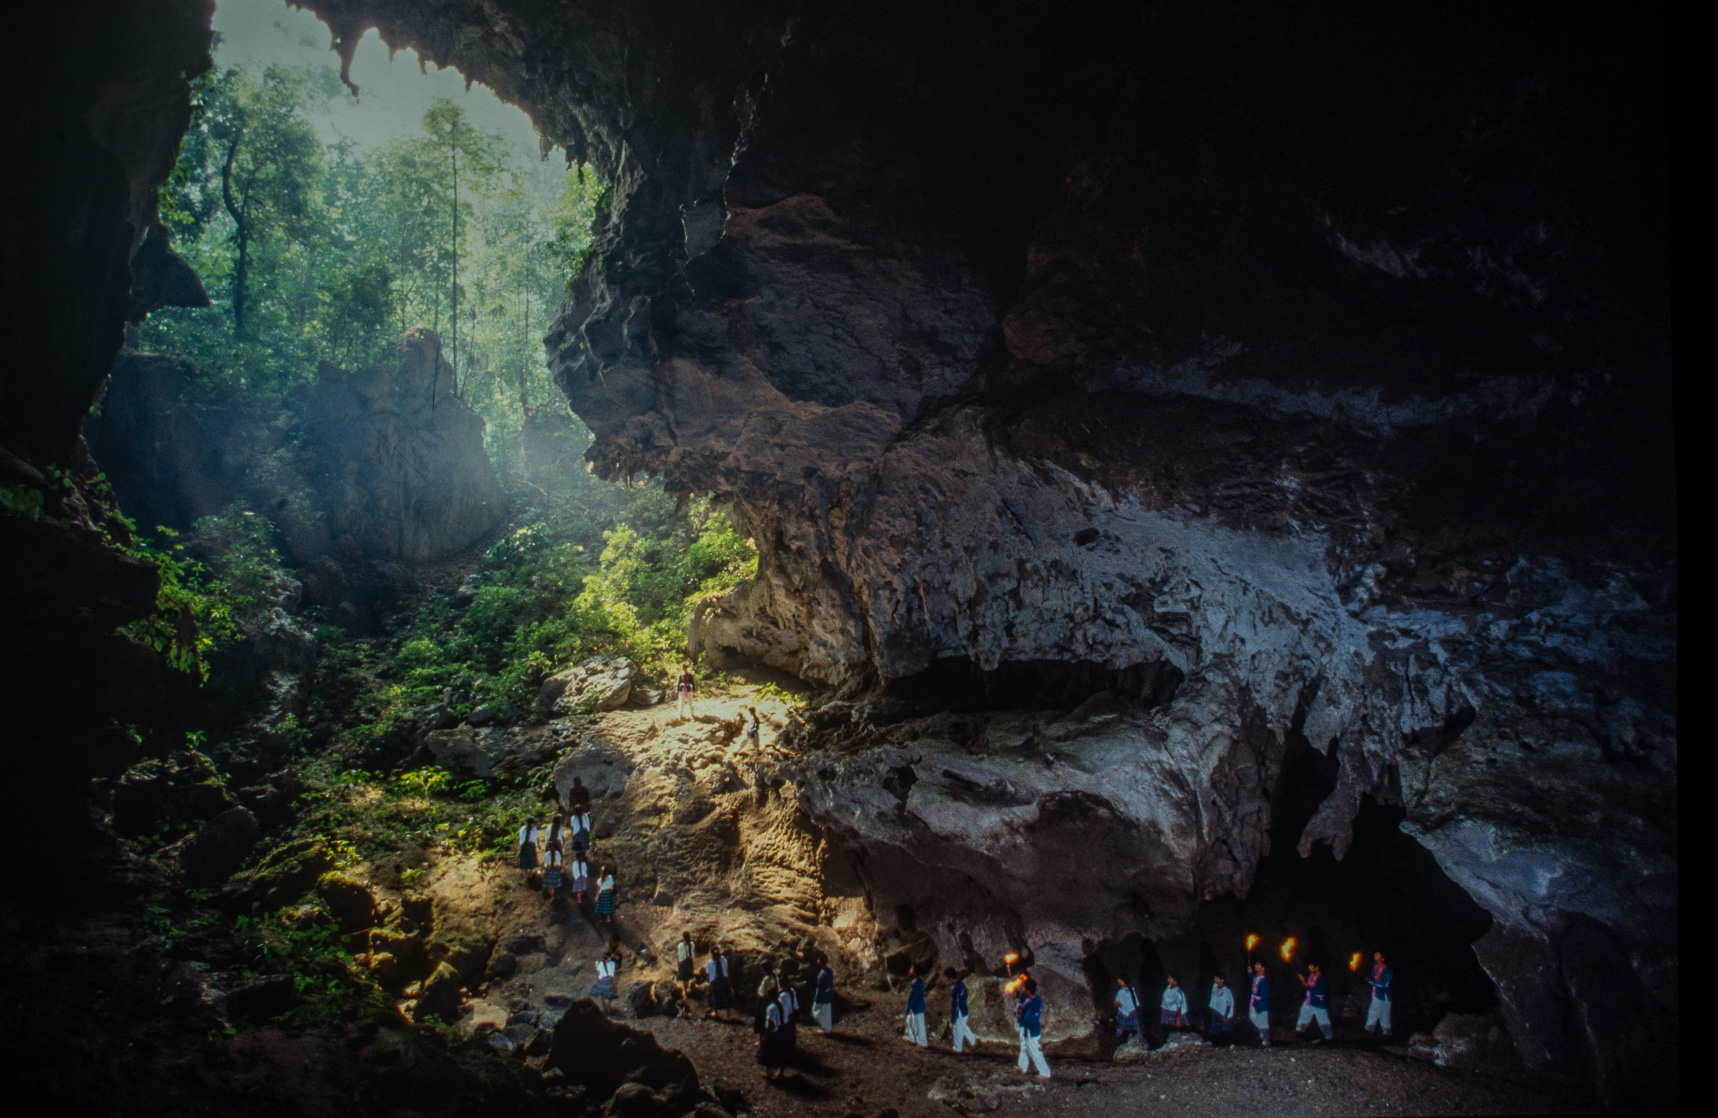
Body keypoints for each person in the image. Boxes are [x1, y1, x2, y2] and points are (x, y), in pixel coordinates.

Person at [1015, 977, 1052, 1079]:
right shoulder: (1036, 999)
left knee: (1035, 1051)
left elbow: (1026, 1019)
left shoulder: (1030, 1003)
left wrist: (1019, 1016)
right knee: (1026, 1048)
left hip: (1030, 1030)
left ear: (1027, 990)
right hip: (1034, 1028)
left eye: (1024, 988)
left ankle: (1045, 1072)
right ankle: (1022, 1067)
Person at [1297, 963, 1334, 1041]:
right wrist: (1303, 981)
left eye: (1311, 966)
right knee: (1304, 1014)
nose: (1309, 967)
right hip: (1309, 1001)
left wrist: (1310, 988)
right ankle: (1299, 1032)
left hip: (1318, 1003)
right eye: (1309, 965)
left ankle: (1329, 1037)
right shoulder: (1310, 977)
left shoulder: (1322, 979)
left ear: (1317, 967)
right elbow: (1308, 986)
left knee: (1323, 1021)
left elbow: (1320, 991)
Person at [758, 989, 789, 1079]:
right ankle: (781, 1073)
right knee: (781, 1052)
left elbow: (770, 1024)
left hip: (773, 1033)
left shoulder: (771, 1008)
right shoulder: (780, 1005)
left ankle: (769, 1073)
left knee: (768, 1053)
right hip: (781, 1030)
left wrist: (765, 1036)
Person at [947, 967, 978, 1053]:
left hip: (960, 1010)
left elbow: (956, 1003)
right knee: (963, 1027)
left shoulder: (956, 988)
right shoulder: (961, 984)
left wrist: (953, 1017)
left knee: (958, 1029)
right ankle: (973, 1041)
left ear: (950, 978)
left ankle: (958, 1048)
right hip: (964, 1009)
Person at [1365, 952, 1394, 1038]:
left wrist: (1371, 981)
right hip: (1375, 993)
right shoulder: (1374, 966)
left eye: (1378, 954)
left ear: (1382, 959)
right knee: (1373, 1010)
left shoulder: (1387, 971)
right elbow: (1373, 977)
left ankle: (1386, 1033)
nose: (1375, 955)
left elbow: (1385, 984)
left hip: (1384, 995)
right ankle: (1369, 1029)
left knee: (1384, 1013)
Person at [903, 963, 929, 1046]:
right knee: (910, 1021)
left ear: (914, 972)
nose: (910, 970)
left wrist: (908, 1007)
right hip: (916, 1006)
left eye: (911, 969)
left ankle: (922, 1042)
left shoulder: (917, 984)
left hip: (917, 1006)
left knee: (918, 1024)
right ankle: (911, 1037)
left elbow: (913, 997)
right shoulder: (919, 981)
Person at [706, 946, 734, 1021]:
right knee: (715, 998)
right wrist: (709, 983)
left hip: (723, 980)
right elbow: (709, 973)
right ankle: (715, 1012)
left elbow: (725, 969)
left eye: (717, 952)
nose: (716, 955)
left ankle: (728, 1013)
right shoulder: (710, 962)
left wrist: (728, 979)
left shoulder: (723, 959)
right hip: (714, 981)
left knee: (726, 996)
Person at [1248, 961, 1273, 1047]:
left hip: (1262, 1003)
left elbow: (1266, 994)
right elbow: (1254, 982)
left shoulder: (1264, 980)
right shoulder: (1256, 976)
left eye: (1258, 965)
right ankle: (1262, 1035)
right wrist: (1250, 973)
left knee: (1263, 1022)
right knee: (1252, 1016)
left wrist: (1261, 1005)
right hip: (1255, 1002)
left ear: (1263, 968)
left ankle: (1266, 1040)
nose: (1255, 966)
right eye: (1255, 964)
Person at [1114, 974, 1140, 1046]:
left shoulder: (1121, 992)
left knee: (1123, 1031)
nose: (1117, 980)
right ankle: (1133, 1043)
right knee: (1132, 1030)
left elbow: (1120, 1004)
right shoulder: (1132, 989)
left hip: (1124, 1013)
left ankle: (1123, 1044)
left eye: (1119, 979)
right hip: (1132, 1012)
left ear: (1123, 981)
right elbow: (1136, 1002)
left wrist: (1116, 1004)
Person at [1208, 974, 1235, 1043]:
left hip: (1223, 1014)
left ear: (1222, 980)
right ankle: (1215, 1043)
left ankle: (1226, 1044)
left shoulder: (1226, 991)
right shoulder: (1214, 987)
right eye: (1215, 978)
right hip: (1216, 1011)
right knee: (1215, 1030)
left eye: (1217, 978)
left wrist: (1225, 1016)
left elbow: (1229, 1004)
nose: (1215, 980)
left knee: (1224, 1030)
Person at [812, 956, 836, 1034]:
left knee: (815, 1012)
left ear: (821, 962)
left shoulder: (826, 973)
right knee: (826, 1013)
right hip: (825, 995)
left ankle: (825, 1028)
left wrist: (820, 995)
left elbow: (826, 985)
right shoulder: (826, 970)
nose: (817, 961)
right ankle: (827, 1028)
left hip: (823, 995)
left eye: (818, 960)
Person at [676, 932, 697, 1006]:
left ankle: (688, 989)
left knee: (688, 977)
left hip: (689, 962)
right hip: (683, 961)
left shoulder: (692, 944)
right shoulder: (681, 945)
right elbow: (680, 954)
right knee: (684, 978)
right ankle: (685, 990)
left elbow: (692, 954)